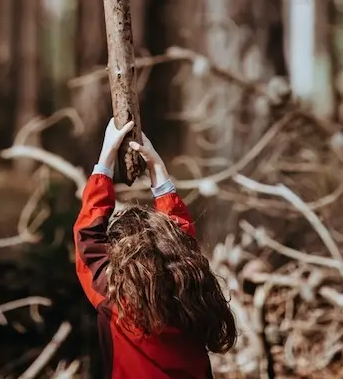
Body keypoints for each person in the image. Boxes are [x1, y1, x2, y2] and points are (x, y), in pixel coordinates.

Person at [73, 117, 237, 379]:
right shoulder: (192, 292)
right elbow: (182, 240)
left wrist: (106, 158)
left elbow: (87, 238)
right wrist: (157, 167)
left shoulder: (116, 297)